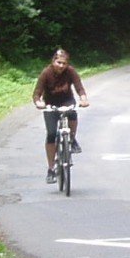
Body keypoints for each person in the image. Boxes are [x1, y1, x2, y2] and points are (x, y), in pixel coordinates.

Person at [33, 48, 89, 182]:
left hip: (66, 101)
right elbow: (37, 93)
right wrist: (38, 102)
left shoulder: (70, 71)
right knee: (51, 134)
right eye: (59, 62)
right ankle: (51, 169)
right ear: (53, 61)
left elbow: (79, 87)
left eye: (64, 63)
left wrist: (83, 98)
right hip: (50, 104)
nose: (61, 66)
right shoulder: (46, 73)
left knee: (72, 114)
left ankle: (72, 139)